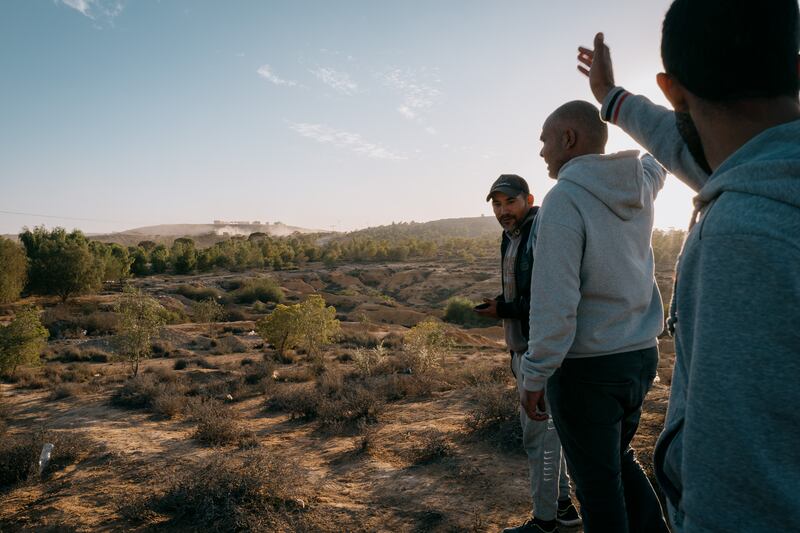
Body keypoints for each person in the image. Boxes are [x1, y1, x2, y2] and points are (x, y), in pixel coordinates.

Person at [576, 0, 800, 530]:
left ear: (671, 89)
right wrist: (612, 100)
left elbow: (743, 487)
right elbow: (696, 150)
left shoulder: (745, 233)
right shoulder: (774, 178)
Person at [519, 100, 670, 533]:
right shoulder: (640, 181)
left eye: (545, 140)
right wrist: (621, 103)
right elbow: (659, 159)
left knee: (598, 490)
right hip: (640, 358)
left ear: (568, 139)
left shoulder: (564, 200)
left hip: (588, 369)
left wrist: (535, 374)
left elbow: (555, 303)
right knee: (619, 462)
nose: (542, 152)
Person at [476, 175, 581, 533]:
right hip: (525, 350)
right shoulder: (511, 236)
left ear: (528, 199)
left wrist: (502, 310)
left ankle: (544, 523)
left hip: (541, 353)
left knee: (539, 440)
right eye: (497, 204)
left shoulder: (539, 234)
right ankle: (563, 508)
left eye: (510, 202)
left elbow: (547, 299)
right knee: (549, 437)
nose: (503, 211)